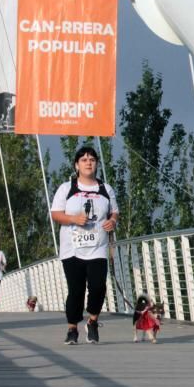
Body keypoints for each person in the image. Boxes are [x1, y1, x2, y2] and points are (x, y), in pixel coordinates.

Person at [50, 147, 118, 345]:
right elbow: (55, 214)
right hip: (72, 249)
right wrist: (73, 219)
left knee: (98, 287)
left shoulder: (106, 189)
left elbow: (114, 212)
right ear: (76, 165)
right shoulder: (66, 188)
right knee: (76, 290)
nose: (88, 163)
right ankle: (72, 329)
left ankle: (93, 321)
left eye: (92, 159)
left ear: (97, 164)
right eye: (84, 160)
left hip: (97, 247)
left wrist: (112, 221)